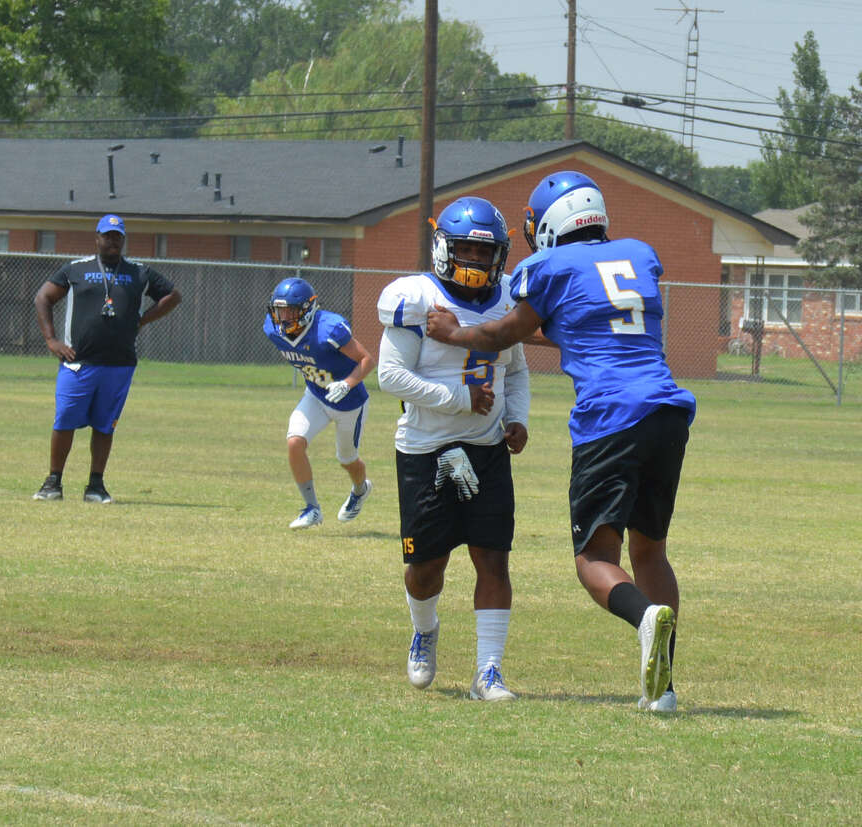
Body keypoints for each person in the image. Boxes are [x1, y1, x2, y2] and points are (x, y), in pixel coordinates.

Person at [426, 172, 696, 713]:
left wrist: (452, 333)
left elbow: (503, 333)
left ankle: (644, 617)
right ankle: (662, 690)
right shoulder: (638, 255)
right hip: (667, 412)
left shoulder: (548, 267)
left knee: (594, 558)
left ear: (548, 223)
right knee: (650, 549)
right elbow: (586, 324)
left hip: (611, 417)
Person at [377, 196, 530, 702]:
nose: (476, 263)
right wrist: (459, 399)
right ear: (444, 248)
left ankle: (489, 671)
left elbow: (517, 369)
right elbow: (391, 375)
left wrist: (516, 418)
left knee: (493, 559)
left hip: (486, 447)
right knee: (427, 567)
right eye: (465, 250)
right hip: (425, 448)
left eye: (485, 254)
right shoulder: (416, 296)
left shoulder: (508, 297)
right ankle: (424, 629)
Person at [33, 213, 182, 503]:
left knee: (105, 424)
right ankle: (53, 482)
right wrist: (51, 340)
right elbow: (43, 298)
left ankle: (95, 486)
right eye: (107, 235)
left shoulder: (139, 273)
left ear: (123, 239)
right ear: (97, 238)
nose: (112, 240)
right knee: (64, 420)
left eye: (117, 236)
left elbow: (173, 296)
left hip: (119, 363)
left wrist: (142, 319)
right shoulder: (76, 269)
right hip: (78, 361)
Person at [264, 277, 375, 529]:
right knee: (294, 441)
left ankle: (360, 489)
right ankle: (312, 508)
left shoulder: (329, 329)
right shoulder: (272, 329)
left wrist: (347, 383)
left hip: (349, 403)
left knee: (348, 460)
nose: (284, 318)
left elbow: (367, 359)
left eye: (291, 311)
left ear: (307, 309)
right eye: (280, 311)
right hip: (315, 395)